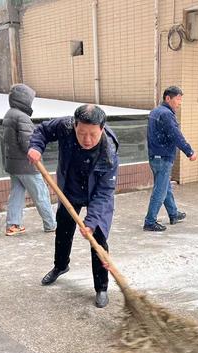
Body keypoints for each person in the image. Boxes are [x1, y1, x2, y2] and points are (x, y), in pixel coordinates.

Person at [27, 105, 118, 308]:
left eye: (93, 134)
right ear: (74, 126)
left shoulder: (108, 152)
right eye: (82, 133)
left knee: (98, 239)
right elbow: (42, 131)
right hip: (70, 190)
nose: (87, 140)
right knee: (64, 231)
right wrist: (35, 147)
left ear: (102, 129)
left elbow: (104, 193)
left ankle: (101, 287)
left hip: (96, 194)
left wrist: (92, 222)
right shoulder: (65, 126)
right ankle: (60, 266)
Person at [3, 84, 56, 236]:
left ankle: (13, 224)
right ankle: (50, 223)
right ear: (24, 100)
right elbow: (28, 142)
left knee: (16, 194)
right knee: (41, 193)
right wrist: (37, 152)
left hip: (13, 165)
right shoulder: (22, 117)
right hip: (27, 165)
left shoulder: (9, 114)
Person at [143, 86, 197, 232]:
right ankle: (150, 221)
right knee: (160, 190)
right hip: (163, 157)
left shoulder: (155, 111)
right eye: (178, 99)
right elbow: (175, 135)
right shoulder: (166, 114)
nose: (179, 103)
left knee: (165, 187)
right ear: (168, 98)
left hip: (155, 156)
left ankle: (173, 214)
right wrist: (189, 151)